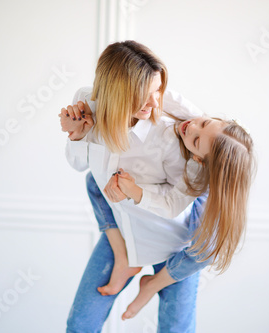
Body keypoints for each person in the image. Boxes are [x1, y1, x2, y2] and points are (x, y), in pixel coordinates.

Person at [60, 40, 208, 333]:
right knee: (80, 324)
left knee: (176, 328)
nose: (156, 103)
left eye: (159, 91)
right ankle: (125, 259)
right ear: (116, 93)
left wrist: (133, 192)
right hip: (126, 232)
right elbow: (80, 166)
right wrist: (76, 135)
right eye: (145, 95)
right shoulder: (87, 103)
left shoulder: (166, 132)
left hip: (174, 241)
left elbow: (179, 199)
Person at [91, 115, 256, 320]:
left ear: (199, 160)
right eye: (204, 123)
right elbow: (167, 96)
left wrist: (134, 191)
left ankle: (152, 284)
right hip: (143, 220)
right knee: (93, 179)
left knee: (207, 250)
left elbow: (172, 208)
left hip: (182, 237)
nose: (192, 126)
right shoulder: (193, 121)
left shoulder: (202, 180)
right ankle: (124, 259)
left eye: (196, 141)